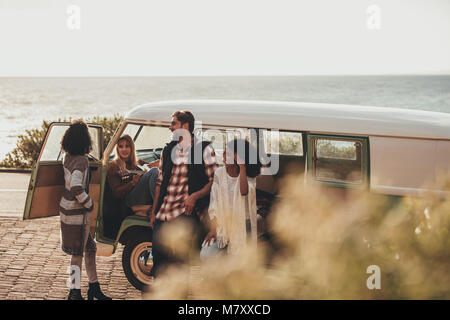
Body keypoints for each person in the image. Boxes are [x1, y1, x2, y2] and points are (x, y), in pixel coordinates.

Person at [149, 110, 218, 278]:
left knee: (180, 261)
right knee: (158, 260)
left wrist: (194, 197)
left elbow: (214, 182)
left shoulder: (204, 149)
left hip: (186, 212)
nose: (170, 127)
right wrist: (154, 212)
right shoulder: (168, 150)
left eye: (174, 124)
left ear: (185, 126)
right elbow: (160, 182)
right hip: (163, 213)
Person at [59, 120, 111, 300]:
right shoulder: (81, 161)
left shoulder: (67, 156)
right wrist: (88, 203)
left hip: (67, 211)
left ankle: (93, 287)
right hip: (77, 213)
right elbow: (75, 187)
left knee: (90, 248)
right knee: (77, 253)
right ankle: (74, 291)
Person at [201, 138, 262, 258]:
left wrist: (242, 167)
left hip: (243, 223)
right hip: (223, 224)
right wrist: (213, 230)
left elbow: (244, 192)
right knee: (206, 255)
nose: (223, 157)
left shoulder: (249, 175)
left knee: (240, 259)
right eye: (224, 153)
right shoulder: (219, 173)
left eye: (227, 154)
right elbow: (213, 205)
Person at [106, 134, 159, 218]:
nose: (124, 149)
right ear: (117, 149)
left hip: (142, 196)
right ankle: (158, 207)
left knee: (156, 171)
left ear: (132, 148)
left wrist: (158, 163)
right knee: (154, 171)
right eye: (121, 146)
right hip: (128, 200)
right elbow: (116, 193)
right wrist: (132, 183)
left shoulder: (138, 163)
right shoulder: (114, 165)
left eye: (127, 146)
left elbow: (149, 167)